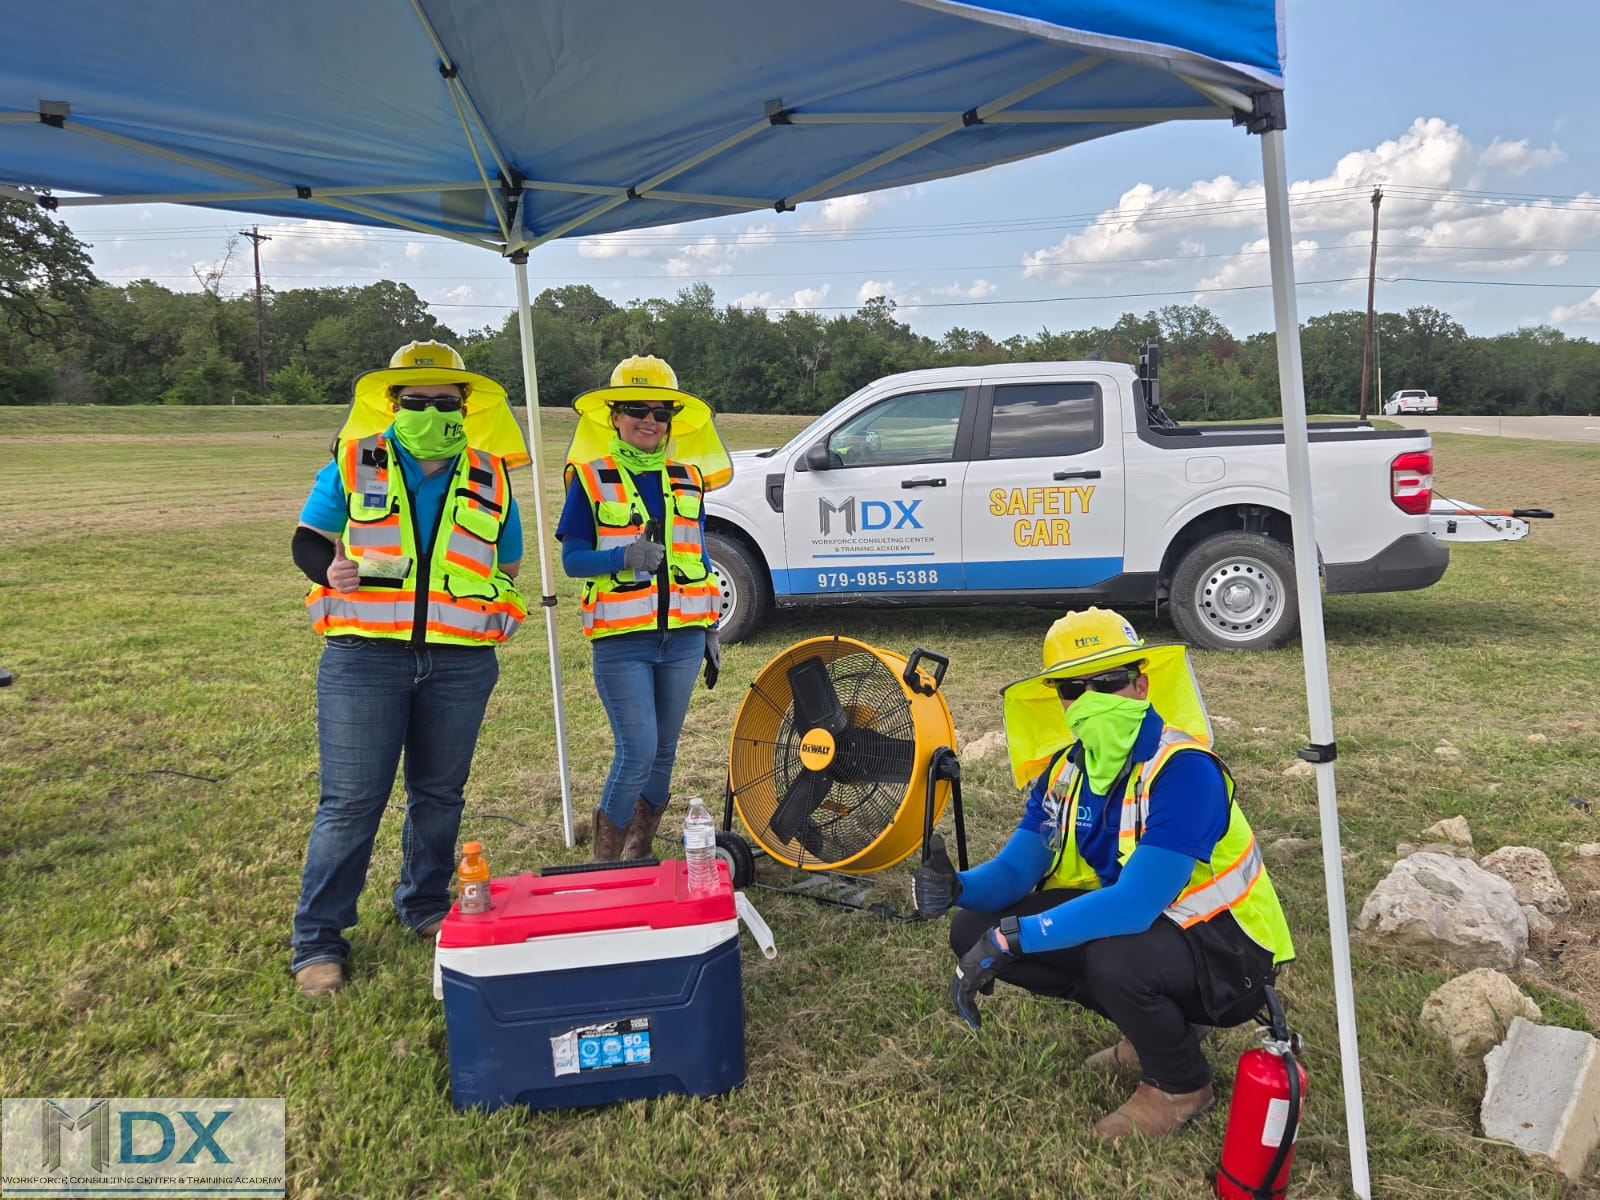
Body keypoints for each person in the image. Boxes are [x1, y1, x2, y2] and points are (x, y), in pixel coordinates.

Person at [912, 607, 1294, 1140]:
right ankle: (1154, 1031)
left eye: (1108, 682)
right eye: (1073, 687)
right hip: (1156, 933)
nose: (1090, 700)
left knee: (1113, 954)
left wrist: (1017, 936)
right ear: (1060, 701)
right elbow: (1019, 868)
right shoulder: (1065, 770)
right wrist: (958, 888)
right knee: (973, 926)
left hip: (1231, 952)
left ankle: (1180, 1084)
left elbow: (1134, 904)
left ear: (1140, 686)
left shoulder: (1184, 770)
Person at [288, 341, 527, 996]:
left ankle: (423, 905)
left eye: (444, 403)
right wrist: (325, 568)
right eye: (415, 401)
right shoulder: (356, 458)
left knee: (440, 796)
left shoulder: (490, 474)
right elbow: (308, 539)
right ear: (393, 404)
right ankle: (318, 940)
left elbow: (509, 562)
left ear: (464, 409)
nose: (430, 412)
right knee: (351, 803)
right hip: (365, 657)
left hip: (459, 662)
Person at [557, 355, 732, 862]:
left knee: (663, 754)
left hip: (682, 638)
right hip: (622, 640)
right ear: (614, 415)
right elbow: (572, 562)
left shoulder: (687, 479)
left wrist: (709, 626)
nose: (650, 420)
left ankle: (639, 852)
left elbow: (695, 558)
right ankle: (604, 861)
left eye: (661, 413)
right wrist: (621, 556)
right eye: (638, 409)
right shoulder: (590, 479)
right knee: (636, 752)